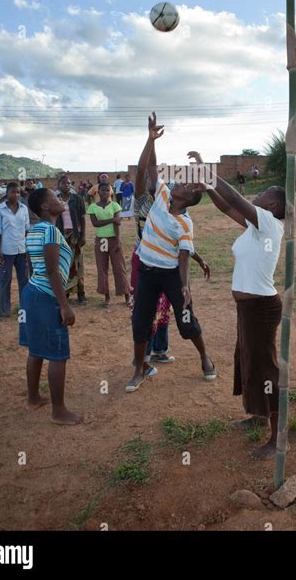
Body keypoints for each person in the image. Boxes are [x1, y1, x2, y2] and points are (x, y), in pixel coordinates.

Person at [188, 157, 285, 460]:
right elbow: (227, 206)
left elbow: (235, 199)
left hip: (260, 307)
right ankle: (258, 415)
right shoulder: (256, 227)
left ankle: (278, 438)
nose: (259, 194)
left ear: (274, 206)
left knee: (265, 368)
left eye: (266, 192)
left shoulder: (269, 223)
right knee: (247, 361)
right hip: (249, 309)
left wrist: (208, 172)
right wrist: (207, 186)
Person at [127, 115, 216, 393]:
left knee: (186, 320)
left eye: (187, 186)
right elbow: (148, 168)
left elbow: (183, 256)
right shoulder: (163, 194)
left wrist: (185, 286)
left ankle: (204, 357)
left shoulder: (184, 223)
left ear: (188, 200)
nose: (181, 183)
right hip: (147, 270)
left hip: (170, 275)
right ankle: (139, 370)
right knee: (140, 321)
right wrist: (150, 139)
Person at [20, 188, 82, 425]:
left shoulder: (34, 231)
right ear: (46, 207)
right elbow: (52, 271)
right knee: (57, 354)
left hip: (32, 293)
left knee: (35, 350)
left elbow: (31, 265)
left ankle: (33, 398)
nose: (60, 200)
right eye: (55, 199)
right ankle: (59, 412)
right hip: (47, 297)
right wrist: (64, 305)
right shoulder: (51, 232)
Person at [87, 182, 130, 310]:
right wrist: (111, 220)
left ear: (110, 192)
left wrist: (118, 241)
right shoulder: (93, 207)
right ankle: (107, 297)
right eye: (102, 190)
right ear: (97, 192)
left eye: (107, 190)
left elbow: (118, 225)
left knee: (119, 267)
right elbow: (95, 223)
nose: (105, 192)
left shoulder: (115, 205)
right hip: (101, 240)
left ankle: (127, 295)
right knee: (102, 268)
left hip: (113, 240)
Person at [0, 181, 29, 318]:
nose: (16, 194)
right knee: (4, 280)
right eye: (13, 192)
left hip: (21, 249)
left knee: (24, 280)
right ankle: (3, 311)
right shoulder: (0, 209)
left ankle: (25, 307)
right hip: (6, 251)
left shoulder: (23, 209)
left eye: (18, 192)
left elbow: (26, 230)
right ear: (7, 194)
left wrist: (28, 248)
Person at [55, 175, 87, 305]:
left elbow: (83, 218)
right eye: (63, 183)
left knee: (78, 263)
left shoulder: (77, 199)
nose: (66, 185)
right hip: (61, 235)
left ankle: (81, 293)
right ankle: (65, 292)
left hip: (75, 235)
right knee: (63, 264)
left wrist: (83, 235)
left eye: (68, 183)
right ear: (59, 185)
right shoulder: (55, 200)